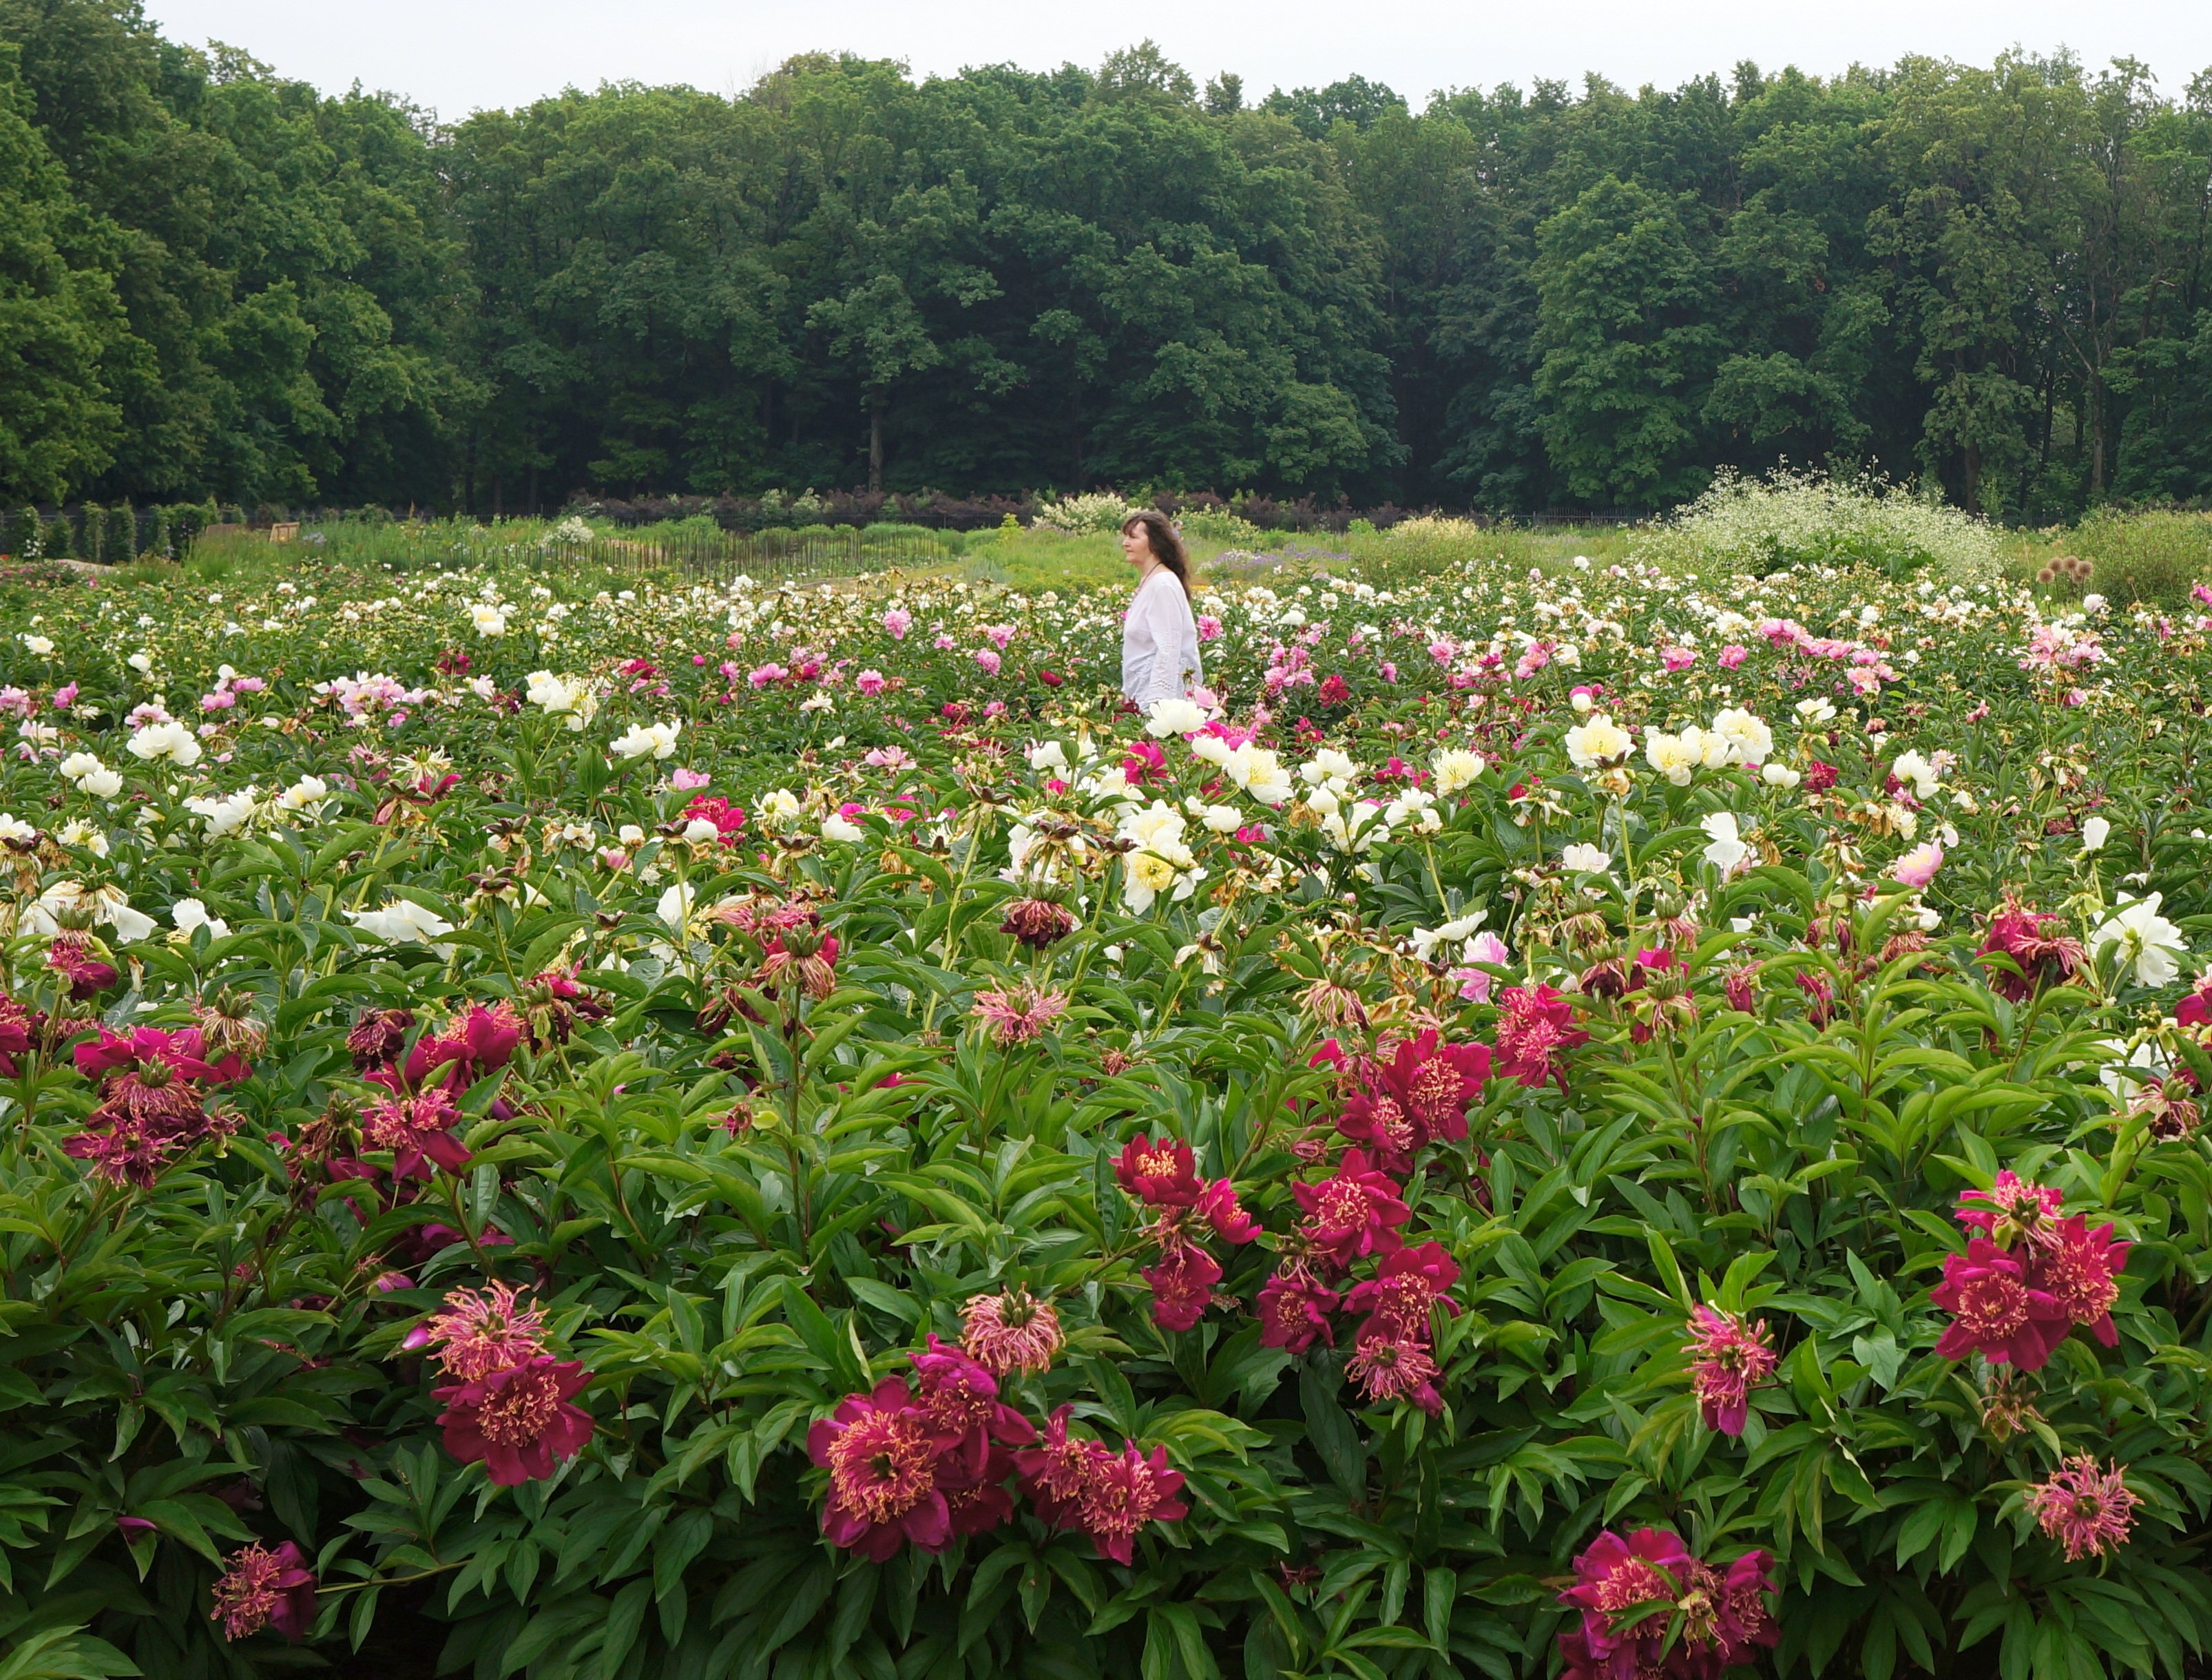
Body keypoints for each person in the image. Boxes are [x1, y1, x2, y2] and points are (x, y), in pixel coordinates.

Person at [1118, 510, 1200, 709]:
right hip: (1141, 696)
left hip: (1158, 704)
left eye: (1133, 537)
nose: (1125, 543)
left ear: (1154, 543)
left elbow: (1169, 651)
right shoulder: (1150, 581)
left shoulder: (1163, 584)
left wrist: (1156, 708)